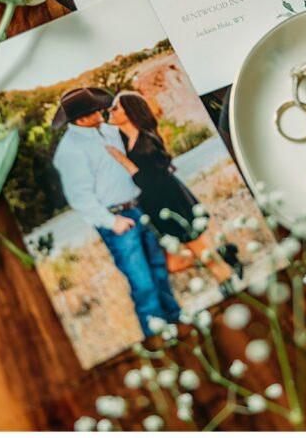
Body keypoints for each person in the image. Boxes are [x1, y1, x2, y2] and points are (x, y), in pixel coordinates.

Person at [51, 87, 181, 334]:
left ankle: (175, 319)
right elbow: (80, 198)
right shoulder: (70, 151)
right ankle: (157, 333)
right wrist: (112, 222)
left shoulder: (110, 131)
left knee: (159, 269)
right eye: (94, 110)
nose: (101, 111)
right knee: (142, 283)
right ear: (81, 119)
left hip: (141, 206)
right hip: (118, 219)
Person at [104, 91, 240, 297]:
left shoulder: (147, 141)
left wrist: (124, 162)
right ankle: (223, 255)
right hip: (156, 206)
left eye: (116, 107)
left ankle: (226, 279)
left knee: (196, 246)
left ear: (130, 111)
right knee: (173, 263)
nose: (110, 111)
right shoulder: (127, 142)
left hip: (172, 201)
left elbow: (149, 182)